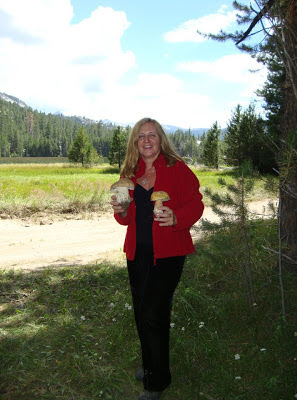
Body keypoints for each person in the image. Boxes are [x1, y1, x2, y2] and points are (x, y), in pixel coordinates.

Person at [111, 117, 204, 400]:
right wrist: (121, 209)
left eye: (152, 135)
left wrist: (177, 217)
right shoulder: (130, 172)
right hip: (137, 251)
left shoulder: (177, 169)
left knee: (153, 311)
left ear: (161, 139)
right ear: (135, 143)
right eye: (141, 136)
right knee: (141, 311)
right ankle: (151, 364)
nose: (147, 140)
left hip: (169, 253)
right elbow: (124, 219)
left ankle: (157, 382)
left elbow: (196, 204)